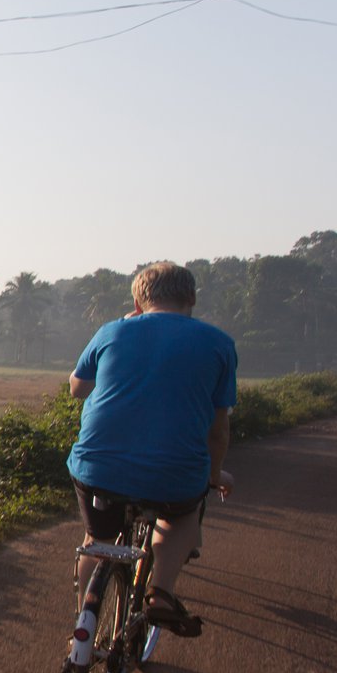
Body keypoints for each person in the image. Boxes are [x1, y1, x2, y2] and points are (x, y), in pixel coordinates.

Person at [66, 261, 237, 639]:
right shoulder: (219, 344)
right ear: (190, 298)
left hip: (98, 469)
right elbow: (218, 431)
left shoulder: (112, 331)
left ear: (138, 301)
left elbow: (76, 388)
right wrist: (213, 475)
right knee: (182, 514)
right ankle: (160, 592)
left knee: (97, 544)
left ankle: (84, 623)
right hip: (175, 475)